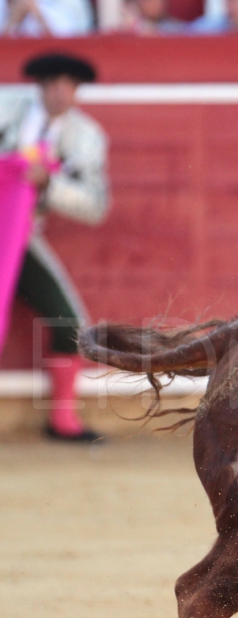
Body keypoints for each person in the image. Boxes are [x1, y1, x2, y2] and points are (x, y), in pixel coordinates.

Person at [0, 54, 108, 442]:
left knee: (68, 321)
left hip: (19, 237)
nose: (62, 92)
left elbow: (96, 205)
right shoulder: (5, 108)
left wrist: (49, 185)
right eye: (54, 83)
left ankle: (63, 419)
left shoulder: (86, 137)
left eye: (70, 85)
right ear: (40, 86)